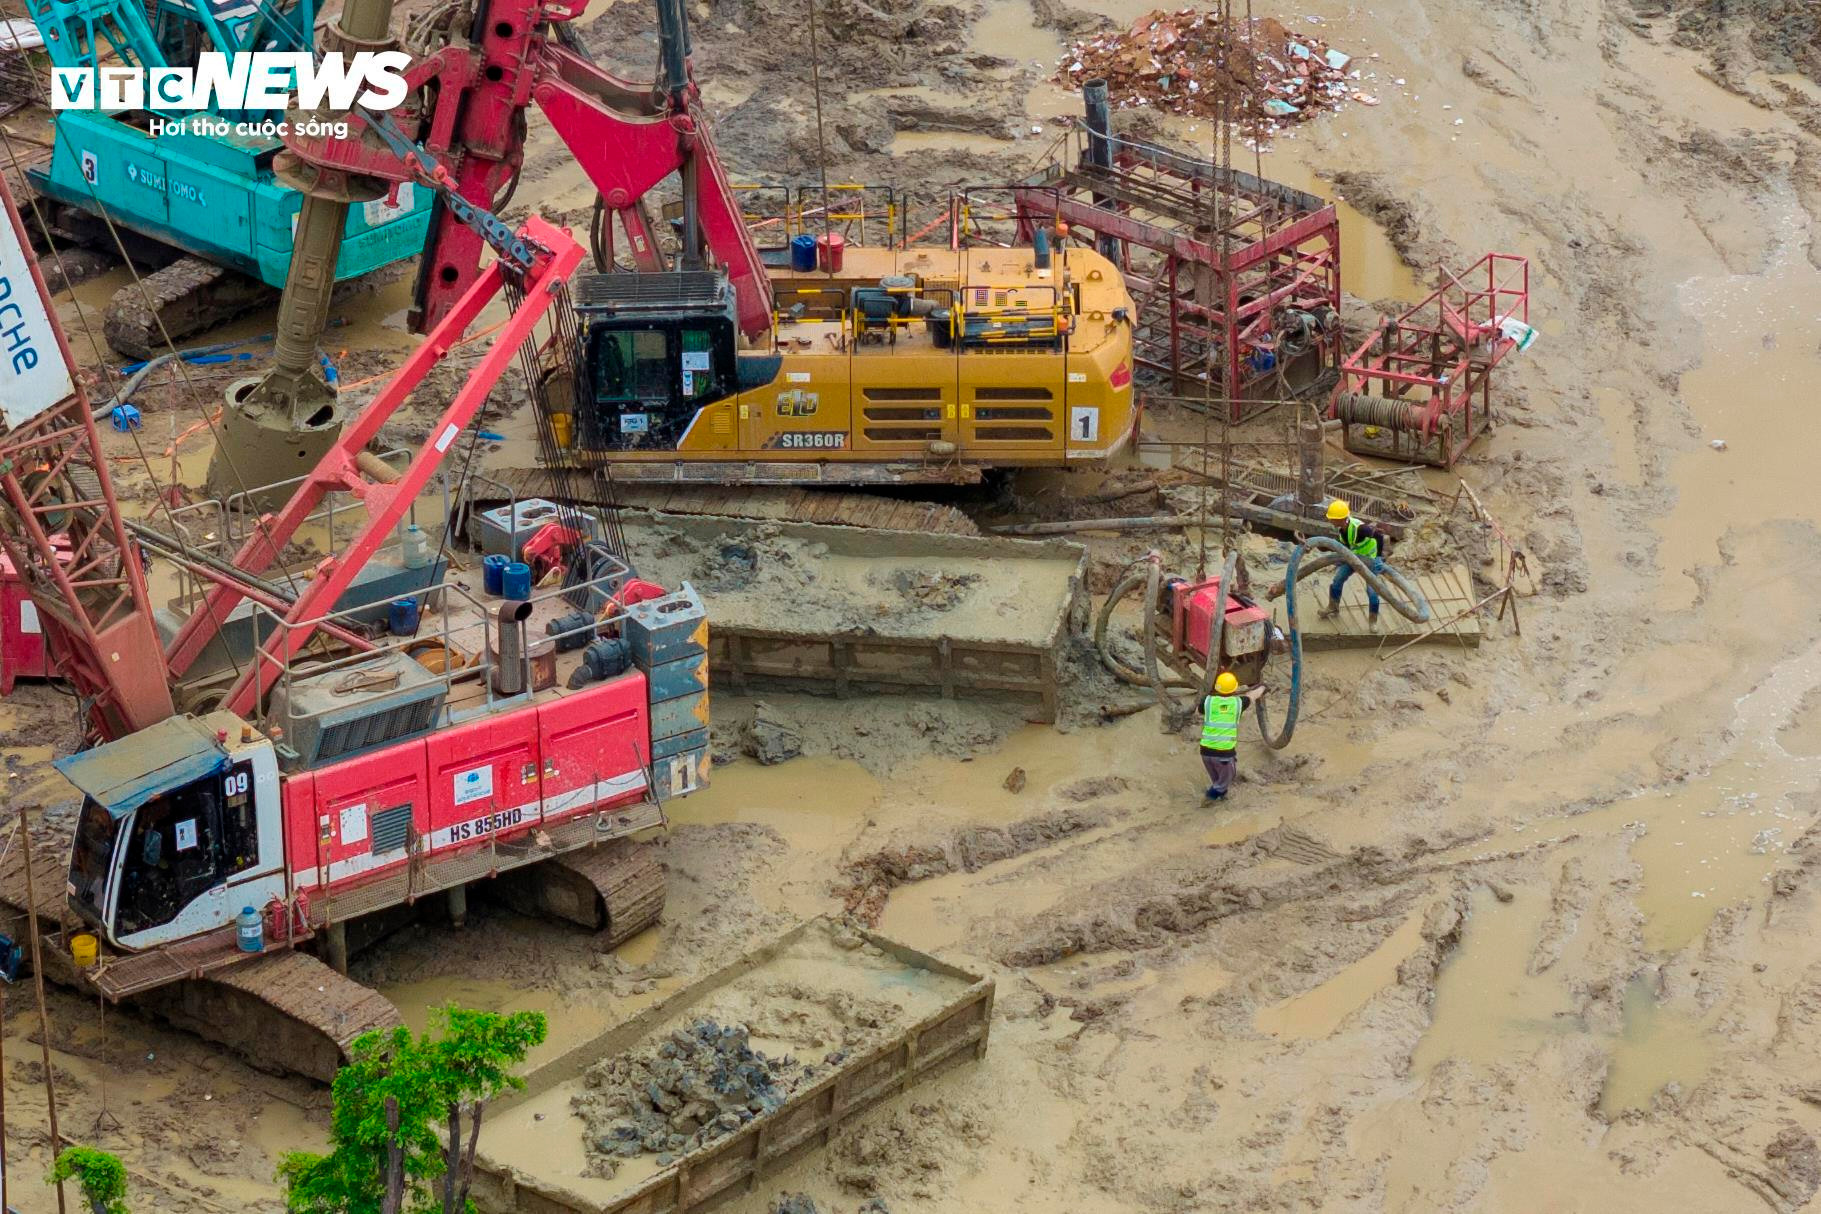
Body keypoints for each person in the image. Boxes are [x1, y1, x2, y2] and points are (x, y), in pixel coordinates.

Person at [1317, 499, 1390, 628]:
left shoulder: (1360, 529)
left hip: (1369, 560)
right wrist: (1339, 559)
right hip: (1353, 558)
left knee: (1372, 591)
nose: (1330, 520)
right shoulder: (1342, 530)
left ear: (1340, 519)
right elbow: (1346, 546)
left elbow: (1379, 536)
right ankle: (1333, 606)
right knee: (1337, 580)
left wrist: (1378, 558)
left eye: (1332, 518)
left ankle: (1373, 620)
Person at [1200, 671, 1259, 802]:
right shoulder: (1238, 703)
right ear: (1234, 689)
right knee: (1227, 777)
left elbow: (1200, 709)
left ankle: (1221, 797)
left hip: (1205, 752)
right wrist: (1263, 687)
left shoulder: (1208, 701)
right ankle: (1210, 797)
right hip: (1223, 754)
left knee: (1217, 778)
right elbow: (1252, 696)